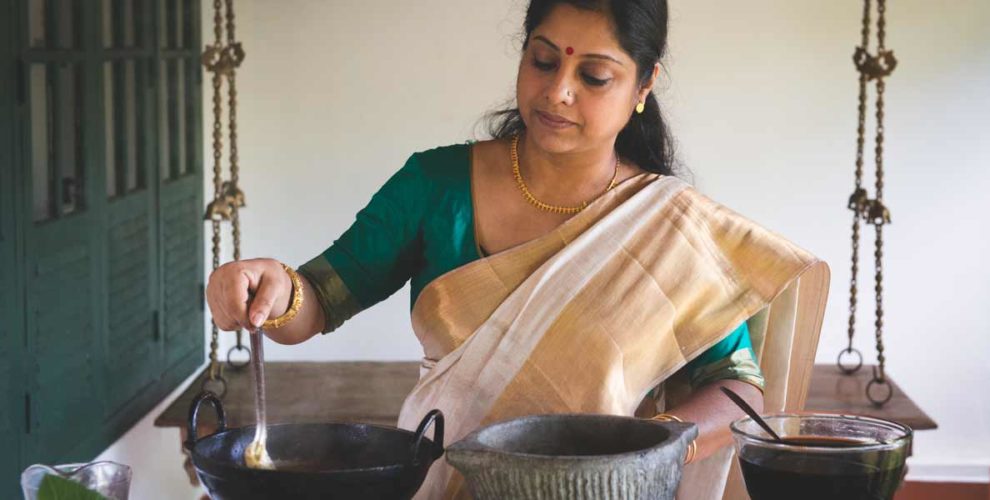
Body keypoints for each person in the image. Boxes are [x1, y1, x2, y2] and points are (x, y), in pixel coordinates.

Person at [206, 1, 827, 498]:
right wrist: (267, 286)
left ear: (644, 84)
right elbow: (323, 293)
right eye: (543, 61)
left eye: (594, 76)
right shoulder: (434, 184)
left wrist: (648, 448)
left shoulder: (667, 226)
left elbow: (742, 389)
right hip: (441, 480)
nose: (558, 91)